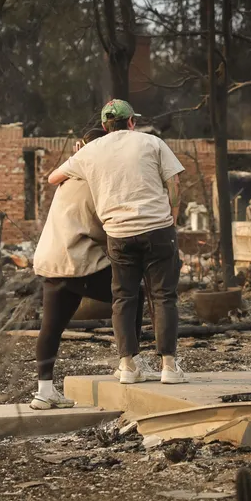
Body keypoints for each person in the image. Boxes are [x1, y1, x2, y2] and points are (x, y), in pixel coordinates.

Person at [48, 99, 186, 384]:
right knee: (164, 297)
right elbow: (174, 183)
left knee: (124, 298)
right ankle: (169, 367)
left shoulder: (92, 151)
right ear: (132, 122)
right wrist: (172, 218)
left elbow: (53, 178)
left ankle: (127, 366)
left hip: (119, 234)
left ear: (103, 126)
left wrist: (80, 158)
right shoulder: (152, 142)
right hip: (158, 229)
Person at [30, 128, 156, 410]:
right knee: (130, 294)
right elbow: (108, 226)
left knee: (51, 326)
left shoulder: (70, 177)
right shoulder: (97, 180)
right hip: (78, 260)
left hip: (52, 260)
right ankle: (129, 362)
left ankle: (44, 391)